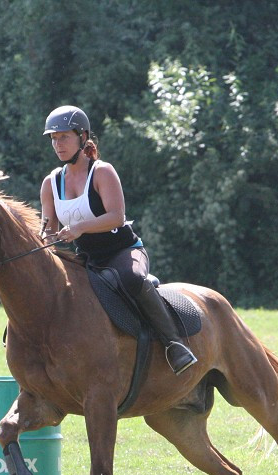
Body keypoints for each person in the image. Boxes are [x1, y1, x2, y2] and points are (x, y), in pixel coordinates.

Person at [40, 105, 197, 375]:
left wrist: (78, 229)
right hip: (87, 258)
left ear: (82, 136)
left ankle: (174, 344)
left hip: (123, 251)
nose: (57, 144)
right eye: (53, 139)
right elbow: (48, 227)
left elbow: (116, 216)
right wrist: (48, 236)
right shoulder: (50, 183)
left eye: (64, 137)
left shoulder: (102, 172)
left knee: (134, 279)